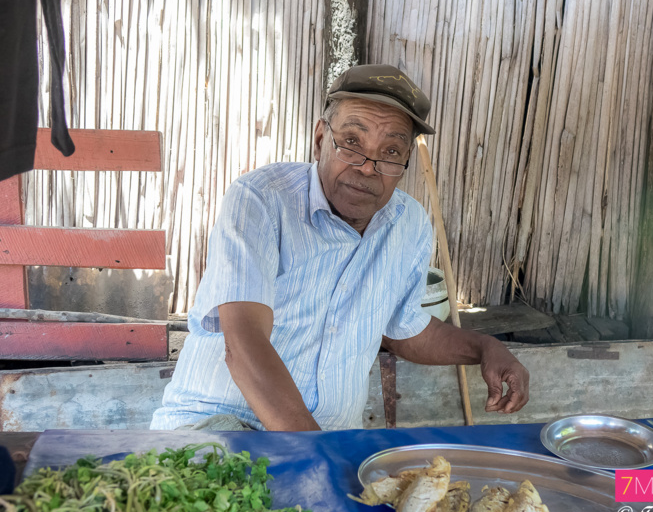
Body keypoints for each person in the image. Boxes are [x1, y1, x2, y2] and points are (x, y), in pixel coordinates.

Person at [150, 64, 529, 432]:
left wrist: (484, 347)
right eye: (351, 142)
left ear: (406, 162)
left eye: (391, 152)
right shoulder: (261, 200)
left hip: (329, 436)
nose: (368, 167)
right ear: (320, 140)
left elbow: (403, 329)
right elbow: (244, 342)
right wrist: (317, 458)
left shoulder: (409, 225)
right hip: (217, 427)